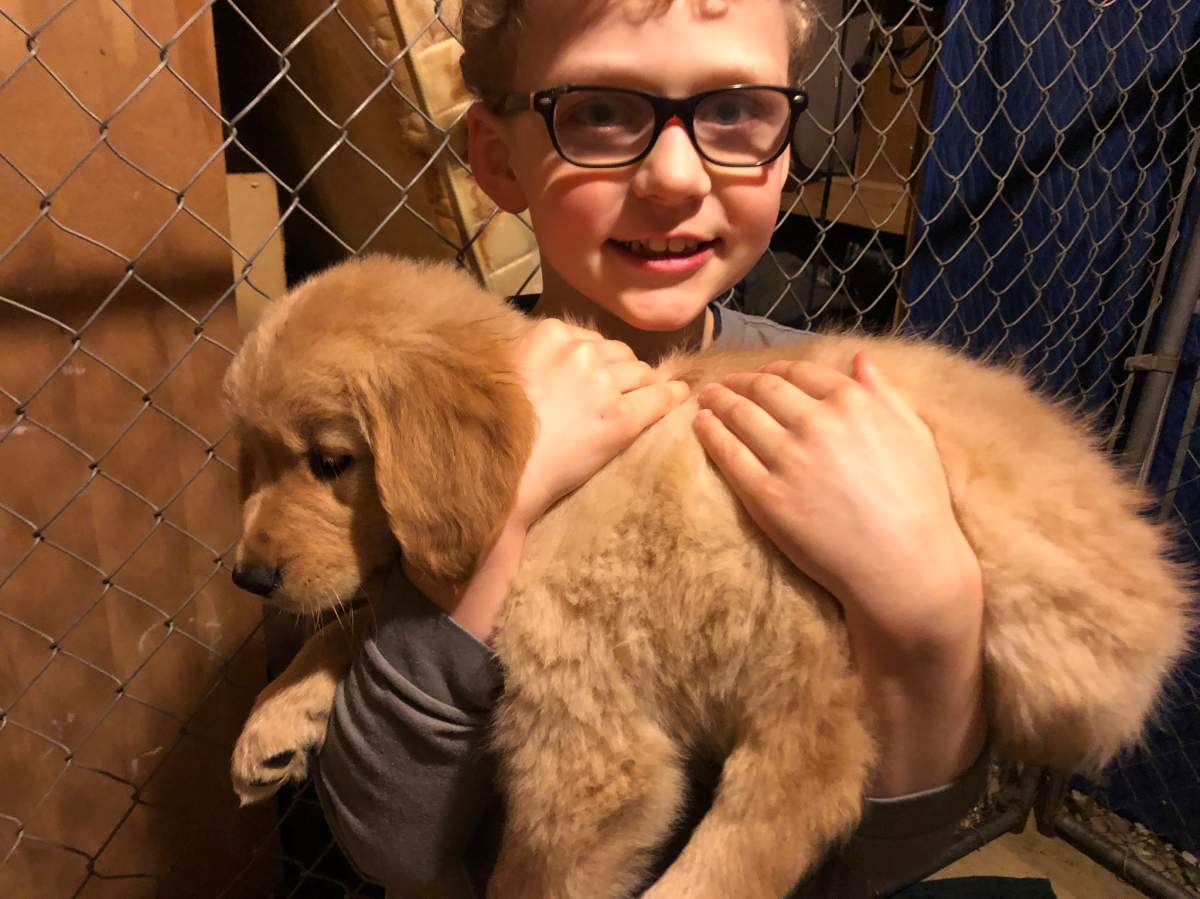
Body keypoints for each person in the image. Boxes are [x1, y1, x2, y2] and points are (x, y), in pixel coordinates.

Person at [315, 1, 988, 895]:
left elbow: (877, 863)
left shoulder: (843, 415)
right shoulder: (437, 416)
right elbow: (397, 846)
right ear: (494, 157)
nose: (675, 175)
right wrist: (498, 505)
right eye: (597, 111)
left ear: (784, 149)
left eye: (737, 109)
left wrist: (932, 609)